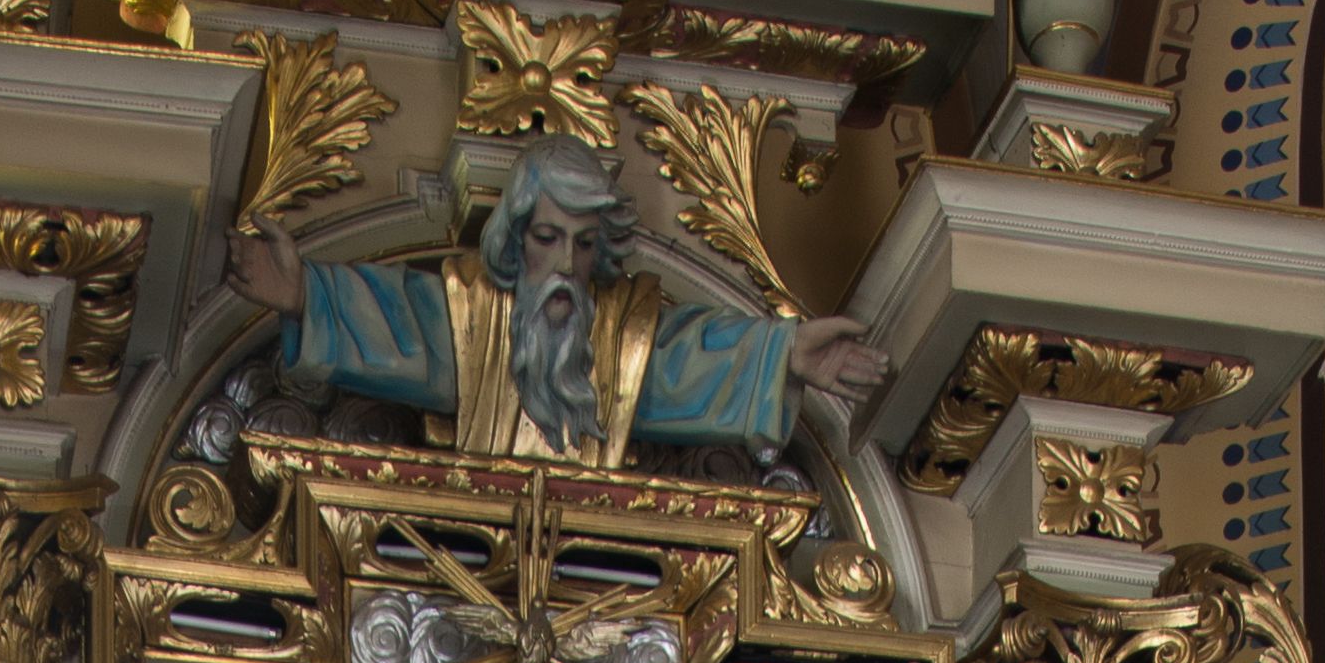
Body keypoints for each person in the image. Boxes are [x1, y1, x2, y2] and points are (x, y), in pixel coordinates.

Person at [226, 137, 889, 469]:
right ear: (516, 239)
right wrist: (303, 296)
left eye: (583, 244)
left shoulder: (620, 340)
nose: (566, 265)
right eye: (548, 239)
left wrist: (784, 354)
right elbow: (399, 325)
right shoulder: (469, 313)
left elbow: (688, 363)